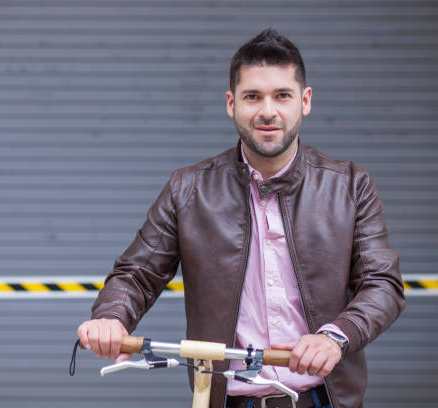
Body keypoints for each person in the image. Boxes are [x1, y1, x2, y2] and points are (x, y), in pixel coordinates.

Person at [77, 28, 405, 408]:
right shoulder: (188, 189)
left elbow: (382, 284)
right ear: (232, 103)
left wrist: (336, 336)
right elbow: (136, 273)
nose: (268, 110)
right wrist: (112, 317)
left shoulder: (350, 185)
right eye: (253, 96)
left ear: (305, 100)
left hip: (323, 399)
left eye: (282, 95)